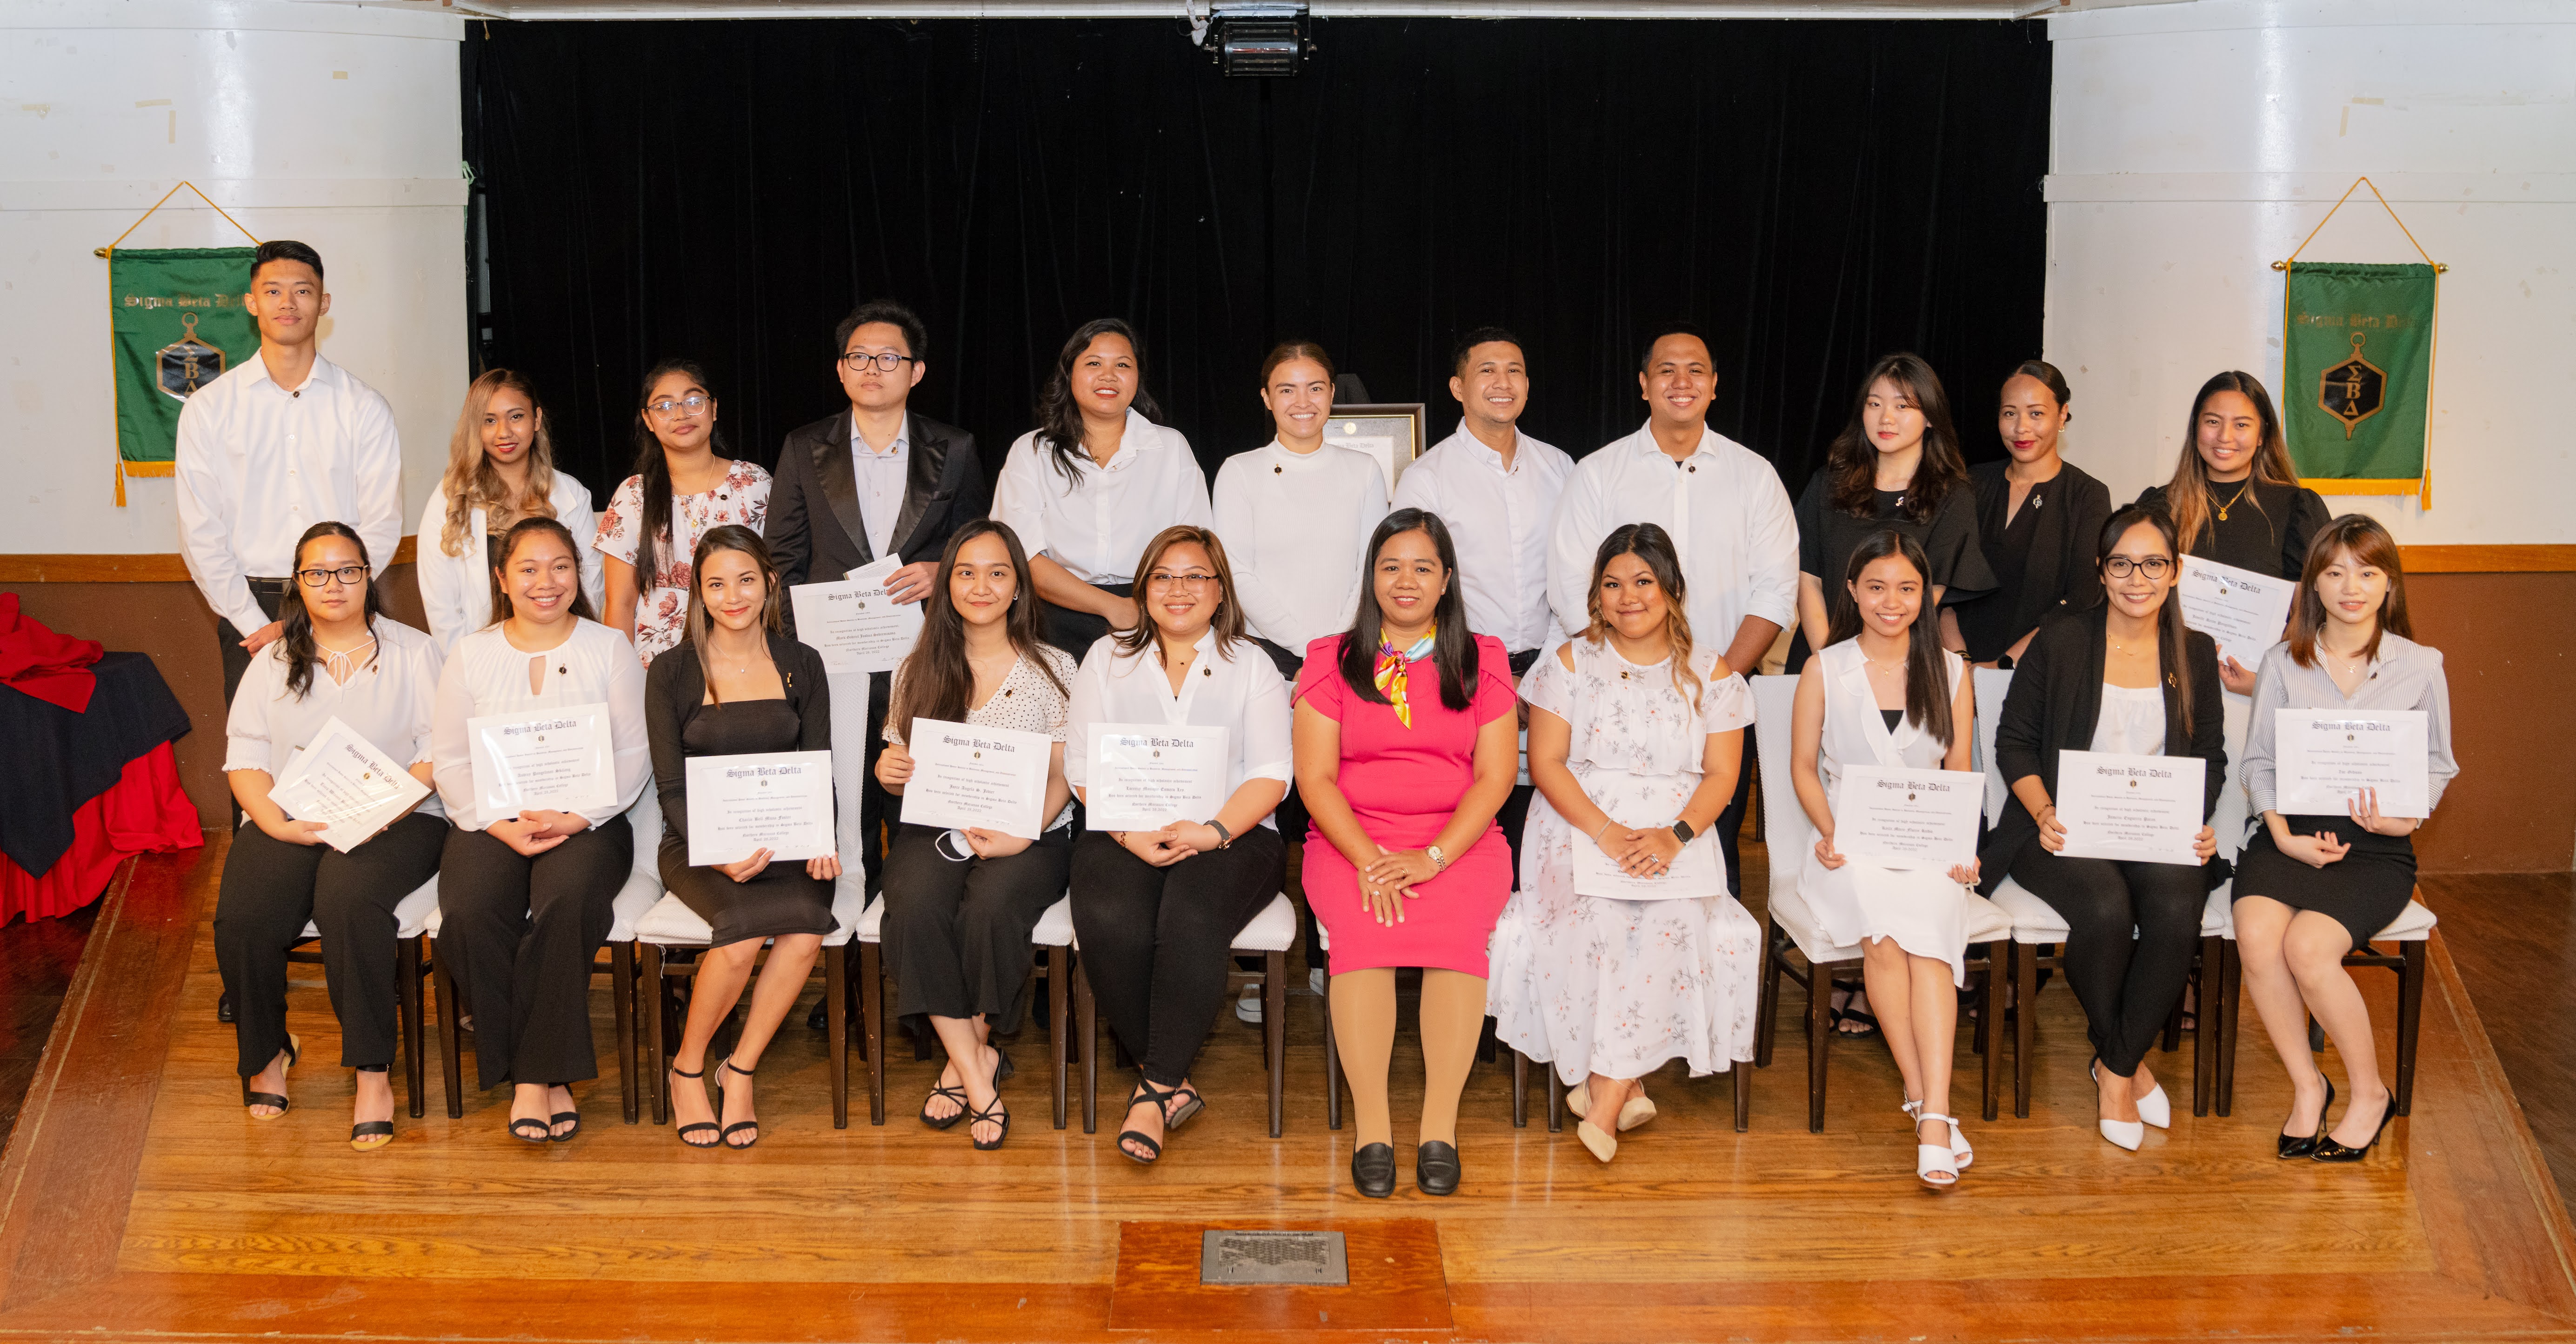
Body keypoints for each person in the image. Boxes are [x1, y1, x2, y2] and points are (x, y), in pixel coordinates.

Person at [1486, 522, 1758, 1167]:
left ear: (1671, 589)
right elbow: (1546, 763)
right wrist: (1605, 832)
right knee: (1599, 918)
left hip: (1675, 831)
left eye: (1642, 581)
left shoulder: (1711, 673)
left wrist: (1675, 836)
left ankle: (1604, 1092)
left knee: (1668, 917)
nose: (1626, 596)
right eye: (1611, 584)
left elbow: (1722, 774)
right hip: (1576, 827)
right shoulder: (1569, 665)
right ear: (1594, 595)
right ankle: (1623, 1083)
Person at [1980, 505, 2224, 1152]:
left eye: (2152, 564)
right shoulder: (2060, 639)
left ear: (2174, 572)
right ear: (2101, 569)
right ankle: (2124, 1066)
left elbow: (2210, 757)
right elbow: (2013, 744)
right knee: (2107, 910)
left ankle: (2112, 1065)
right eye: (2121, 563)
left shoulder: (2193, 651)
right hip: (2059, 827)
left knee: (2177, 910)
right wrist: (2042, 813)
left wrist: (2195, 822)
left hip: (2154, 827)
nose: (2135, 578)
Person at [1294, 508, 1518, 1199]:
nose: (1405, 579)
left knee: (1454, 937)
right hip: (1349, 839)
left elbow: (1495, 777)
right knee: (1366, 929)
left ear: (1446, 580)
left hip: (1460, 842)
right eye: (1391, 565)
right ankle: (1372, 1131)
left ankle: (1438, 1129)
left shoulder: (1483, 658)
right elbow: (1315, 779)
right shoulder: (1330, 657)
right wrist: (1369, 857)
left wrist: (1434, 856)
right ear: (1371, 577)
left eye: (1423, 566)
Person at [213, 522, 446, 1150]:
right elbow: (246, 757)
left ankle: (372, 1070)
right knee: (245, 916)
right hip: (293, 813)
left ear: (369, 576)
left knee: (346, 899)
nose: (333, 584)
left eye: (348, 570)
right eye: (317, 573)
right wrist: (273, 824)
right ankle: (267, 1051)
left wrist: (385, 806)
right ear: (298, 583)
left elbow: (439, 750)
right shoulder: (273, 659)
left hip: (400, 817)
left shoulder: (415, 653)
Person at [1549, 322, 1799, 900]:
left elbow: (1775, 592)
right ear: (1643, 384)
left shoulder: (1754, 476)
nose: (1681, 382)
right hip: (1612, 707)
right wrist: (1630, 684)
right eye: (1666, 370)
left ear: (1715, 386)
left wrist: (1716, 684)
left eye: (1695, 371)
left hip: (1720, 701)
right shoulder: (1598, 473)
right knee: (1610, 859)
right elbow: (1571, 589)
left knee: (1714, 854)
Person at [2234, 514, 2456, 1163]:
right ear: (2313, 584)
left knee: (2307, 948)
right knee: (2255, 935)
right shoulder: (2282, 660)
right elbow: (2258, 764)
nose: (2349, 586)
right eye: (2333, 572)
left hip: (2375, 845)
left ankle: (2367, 1094)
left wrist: (2404, 819)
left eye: (2365, 571)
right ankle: (2308, 1086)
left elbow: (2439, 763)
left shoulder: (2420, 665)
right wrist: (2280, 834)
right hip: (2289, 834)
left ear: (2388, 584)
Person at [1066, 525, 1289, 1167]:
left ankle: (1155, 1086)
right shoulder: (1106, 657)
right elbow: (1082, 762)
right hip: (1121, 825)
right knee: (1110, 915)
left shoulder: (1253, 665)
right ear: (1143, 588)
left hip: (1234, 834)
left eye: (1196, 576)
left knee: (1189, 913)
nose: (1178, 589)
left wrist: (1213, 831)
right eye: (1163, 576)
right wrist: (1130, 833)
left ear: (1220, 591)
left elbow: (1273, 772)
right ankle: (1169, 1082)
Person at [431, 516, 651, 1143]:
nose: (545, 582)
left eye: (559, 566)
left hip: (588, 819)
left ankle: (531, 1077)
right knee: (470, 913)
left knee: (566, 902)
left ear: (576, 573)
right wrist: (497, 825)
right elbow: (449, 760)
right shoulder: (471, 654)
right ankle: (544, 1067)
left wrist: (578, 816)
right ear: (502, 579)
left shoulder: (607, 647)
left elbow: (634, 753)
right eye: (527, 569)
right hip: (490, 821)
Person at [765, 301, 990, 913]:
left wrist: (944, 572)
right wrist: (797, 656)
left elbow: (981, 550)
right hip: (830, 666)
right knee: (845, 814)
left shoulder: (957, 448)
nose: (873, 368)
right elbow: (781, 562)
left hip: (925, 662)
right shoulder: (803, 447)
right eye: (859, 357)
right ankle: (848, 981)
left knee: (920, 814)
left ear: (915, 372)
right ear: (841, 370)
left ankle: (907, 956)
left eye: (889, 357)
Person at [874, 521, 1079, 1151]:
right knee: (913, 904)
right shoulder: (918, 667)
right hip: (939, 825)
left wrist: (1025, 831)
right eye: (965, 572)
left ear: (1018, 586)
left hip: (1034, 832)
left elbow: (1069, 772)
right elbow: (897, 762)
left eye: (997, 573)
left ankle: (964, 1059)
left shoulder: (1056, 667)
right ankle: (975, 1069)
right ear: (948, 585)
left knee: (990, 907)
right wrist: (888, 770)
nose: (980, 586)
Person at [1790, 530, 1984, 1188]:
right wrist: (1827, 832)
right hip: (1850, 845)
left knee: (1928, 944)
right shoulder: (1826, 667)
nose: (1891, 601)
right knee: (1882, 936)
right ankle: (1930, 1103)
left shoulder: (1952, 670)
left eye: (1906, 588)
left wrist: (1963, 851)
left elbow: (1959, 773)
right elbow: (1802, 769)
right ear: (1851, 590)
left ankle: (1930, 1109)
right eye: (1875, 586)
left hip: (1929, 845)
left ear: (1926, 595)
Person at [646, 525, 841, 1150]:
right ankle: (688, 1066)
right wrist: (718, 851)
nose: (733, 596)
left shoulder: (801, 662)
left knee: (808, 925)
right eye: (716, 584)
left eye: (746, 580)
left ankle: (742, 1068)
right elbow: (669, 788)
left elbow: (819, 763)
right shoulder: (672, 672)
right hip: (698, 842)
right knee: (741, 936)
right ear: (699, 594)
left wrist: (821, 836)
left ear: (770, 584)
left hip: (785, 838)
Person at [175, 239, 402, 710]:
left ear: (324, 303)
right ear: (252, 303)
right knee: (256, 765)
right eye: (273, 291)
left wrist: (328, 599)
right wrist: (253, 623)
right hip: (250, 611)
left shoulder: (364, 407)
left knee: (351, 758)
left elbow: (381, 523)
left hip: (343, 602)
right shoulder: (209, 409)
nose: (288, 303)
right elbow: (201, 532)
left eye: (303, 291)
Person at [1394, 327, 1574, 886]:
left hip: (1552, 672)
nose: (1503, 382)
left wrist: (1544, 675)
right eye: (1487, 371)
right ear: (1457, 386)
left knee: (1542, 834)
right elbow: (1415, 592)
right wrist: (1492, 677)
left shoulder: (1562, 469)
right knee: (1474, 823)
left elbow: (1576, 581)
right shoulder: (1428, 477)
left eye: (1515, 370)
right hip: (1463, 672)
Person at [991, 320, 1213, 657]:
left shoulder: (1171, 449)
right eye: (1094, 363)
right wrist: (1112, 607)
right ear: (1069, 374)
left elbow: (1197, 546)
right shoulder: (1032, 451)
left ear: (1137, 378)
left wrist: (1149, 606)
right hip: (1053, 617)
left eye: (1122, 365)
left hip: (1152, 613)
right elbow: (1020, 556)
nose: (1108, 376)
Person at [2135, 371, 2331, 695]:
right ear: (2196, 427)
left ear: (2262, 435)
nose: (2225, 436)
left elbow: (2313, 612)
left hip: (2258, 688)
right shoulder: (2161, 505)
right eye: (2213, 422)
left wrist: (2269, 681)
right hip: (2167, 682)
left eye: (2242, 425)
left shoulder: (2297, 508)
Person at [1792, 353, 1992, 669]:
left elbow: (1927, 597)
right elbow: (1808, 580)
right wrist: (1830, 663)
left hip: (1899, 666)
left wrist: (1871, 668)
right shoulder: (1828, 484)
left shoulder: (1952, 496)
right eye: (1875, 404)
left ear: (1930, 416)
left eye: (1902, 406)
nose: (1886, 418)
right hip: (1820, 660)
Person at [1213, 341, 1387, 675]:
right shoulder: (1239, 472)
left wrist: (1334, 644)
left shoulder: (1364, 470)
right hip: (1263, 658)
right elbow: (1235, 572)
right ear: (1266, 398)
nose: (1303, 402)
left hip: (1347, 654)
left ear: (1332, 392)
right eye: (1287, 390)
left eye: (1316, 388)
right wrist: (1310, 646)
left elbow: (1372, 566)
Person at [597, 359, 772, 666]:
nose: (681, 414)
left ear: (714, 409)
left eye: (693, 401)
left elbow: (775, 582)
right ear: (648, 420)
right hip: (656, 665)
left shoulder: (754, 484)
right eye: (664, 406)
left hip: (746, 657)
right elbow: (620, 603)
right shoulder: (634, 495)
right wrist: (619, 680)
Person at [418, 369, 604, 654]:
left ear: (537, 419)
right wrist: (468, 667)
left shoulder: (571, 494)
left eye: (516, 417)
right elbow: (441, 606)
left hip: (565, 649)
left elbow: (591, 586)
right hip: (484, 656)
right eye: (489, 421)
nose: (504, 432)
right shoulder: (449, 499)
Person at [1956, 361, 2113, 668]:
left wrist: (2003, 665)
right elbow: (1942, 584)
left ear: (2063, 414)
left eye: (2036, 413)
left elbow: (2084, 598)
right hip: (1956, 670)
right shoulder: (1972, 483)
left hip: (2038, 673)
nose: (2021, 427)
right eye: (2010, 413)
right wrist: (1960, 662)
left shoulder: (2086, 495)